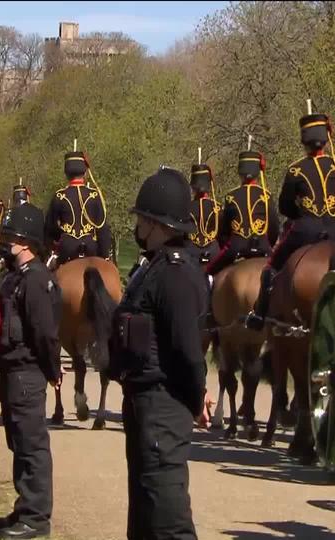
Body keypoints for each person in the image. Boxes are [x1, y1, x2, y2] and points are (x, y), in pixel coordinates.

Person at [107, 167, 211, 540]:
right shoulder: (154, 266)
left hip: (163, 404)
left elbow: (187, 348)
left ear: (156, 222)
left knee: (167, 518)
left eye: (142, 219)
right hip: (144, 401)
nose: (137, 226)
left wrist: (196, 397)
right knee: (146, 516)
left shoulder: (176, 272)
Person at [246, 113, 335, 330]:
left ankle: (260, 314)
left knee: (271, 266)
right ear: (325, 139)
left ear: (304, 140)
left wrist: (301, 213)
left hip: (305, 229)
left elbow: (285, 207)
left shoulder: (295, 169)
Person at [0, 204, 61, 539]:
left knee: (32, 445)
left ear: (27, 241)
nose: (6, 243)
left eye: (12, 238)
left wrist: (52, 370)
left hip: (27, 371)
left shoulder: (36, 281)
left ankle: (36, 516)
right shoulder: (13, 278)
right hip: (10, 369)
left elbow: (44, 332)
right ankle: (25, 506)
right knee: (18, 442)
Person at [205, 151, 279, 276]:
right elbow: (273, 227)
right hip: (263, 246)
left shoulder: (231, 196)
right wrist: (267, 244)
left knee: (209, 272)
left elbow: (224, 231)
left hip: (235, 248)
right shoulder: (266, 195)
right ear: (257, 172)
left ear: (240, 172)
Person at [44, 151, 112, 265]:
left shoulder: (59, 196)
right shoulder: (94, 195)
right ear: (85, 172)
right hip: (91, 247)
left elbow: (50, 228)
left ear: (66, 173)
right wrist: (105, 255)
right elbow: (103, 229)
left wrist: (51, 246)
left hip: (66, 248)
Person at [188, 163, 221, 265]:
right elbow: (224, 235)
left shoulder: (185, 208)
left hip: (191, 253)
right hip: (214, 252)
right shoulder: (218, 208)